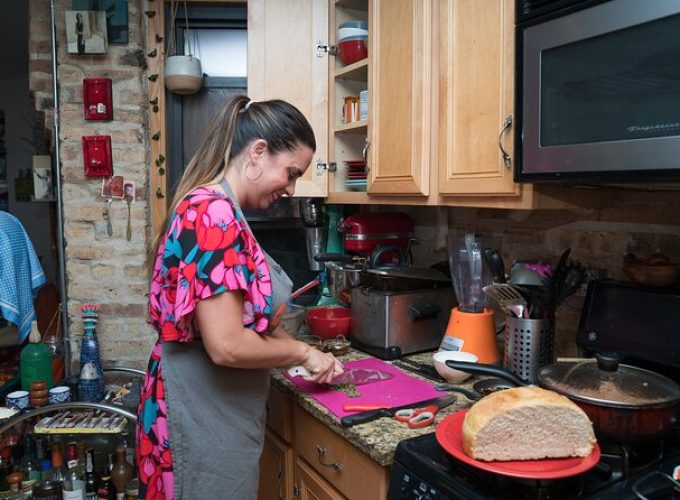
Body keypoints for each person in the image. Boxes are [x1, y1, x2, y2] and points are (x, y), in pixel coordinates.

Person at [136, 95, 343, 500]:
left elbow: (252, 322)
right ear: (258, 152)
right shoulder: (212, 213)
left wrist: (307, 351)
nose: (291, 188)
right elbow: (227, 345)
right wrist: (302, 353)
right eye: (291, 172)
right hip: (200, 414)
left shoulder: (221, 210)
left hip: (214, 409)